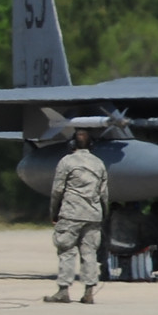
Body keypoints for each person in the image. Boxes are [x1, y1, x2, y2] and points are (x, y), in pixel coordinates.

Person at [47, 125, 108, 304]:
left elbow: (57, 190)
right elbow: (104, 194)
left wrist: (54, 212)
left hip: (71, 213)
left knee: (66, 251)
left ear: (72, 143)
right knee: (89, 252)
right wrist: (103, 214)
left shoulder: (67, 162)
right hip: (93, 215)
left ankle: (63, 290)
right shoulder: (99, 163)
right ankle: (89, 291)